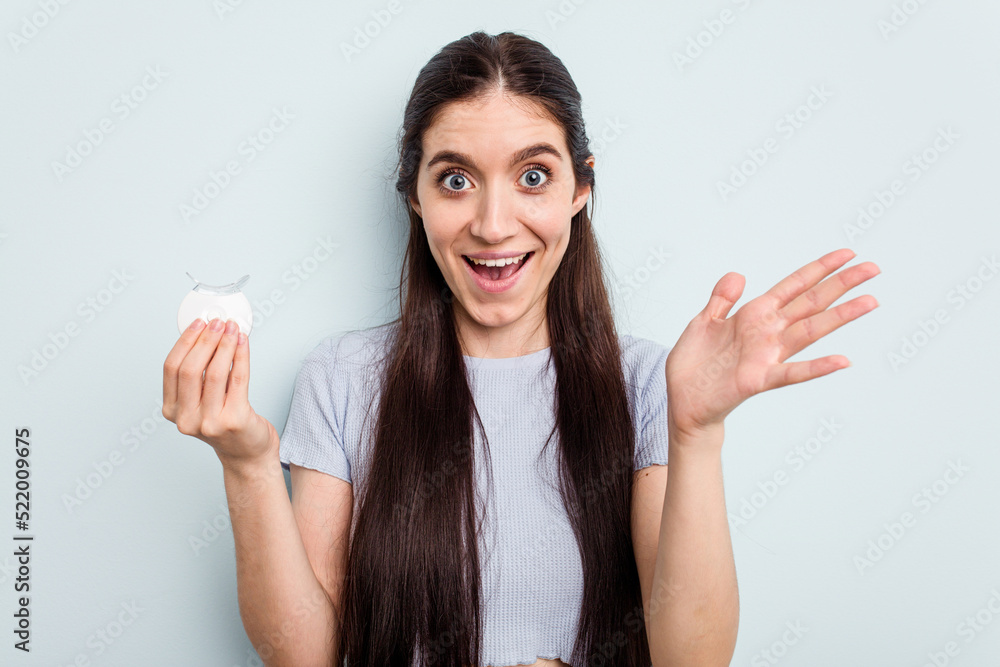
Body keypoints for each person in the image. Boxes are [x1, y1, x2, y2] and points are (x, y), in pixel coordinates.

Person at [161, 30, 880, 667]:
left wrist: (697, 432)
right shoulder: (343, 378)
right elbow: (305, 657)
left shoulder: (647, 381)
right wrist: (248, 464)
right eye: (455, 180)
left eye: (533, 176)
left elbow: (691, 661)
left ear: (580, 187)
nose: (493, 223)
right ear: (414, 195)